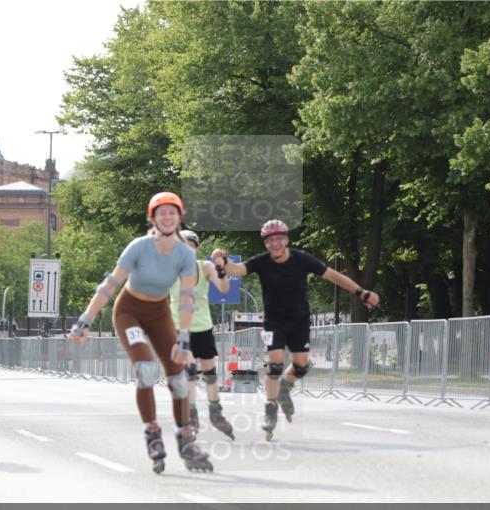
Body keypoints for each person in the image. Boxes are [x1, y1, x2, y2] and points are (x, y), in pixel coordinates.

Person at [68, 191, 211, 473]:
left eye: (172, 212)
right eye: (162, 213)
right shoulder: (139, 247)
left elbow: (185, 298)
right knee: (146, 368)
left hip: (159, 314)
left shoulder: (185, 254)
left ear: (180, 217)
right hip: (129, 311)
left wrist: (183, 338)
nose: (167, 217)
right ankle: (152, 432)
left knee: (179, 378)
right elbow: (111, 284)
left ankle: (185, 437)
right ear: (153, 218)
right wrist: (85, 319)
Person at [212, 219, 380, 439]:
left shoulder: (302, 259)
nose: (276, 244)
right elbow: (237, 269)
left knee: (301, 366)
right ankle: (270, 409)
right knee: (275, 364)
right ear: (266, 244)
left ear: (287, 239)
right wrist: (221, 259)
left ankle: (284, 388)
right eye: (271, 240)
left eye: (280, 238)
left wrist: (361, 293)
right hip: (274, 321)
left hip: (299, 320)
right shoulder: (262, 262)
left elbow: (333, 276)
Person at [169, 230, 234, 439]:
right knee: (189, 374)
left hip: (203, 326)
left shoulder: (204, 267)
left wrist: (221, 268)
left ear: (196, 248)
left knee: (210, 374)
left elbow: (224, 288)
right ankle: (192, 414)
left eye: (191, 245)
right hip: (180, 328)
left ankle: (215, 412)